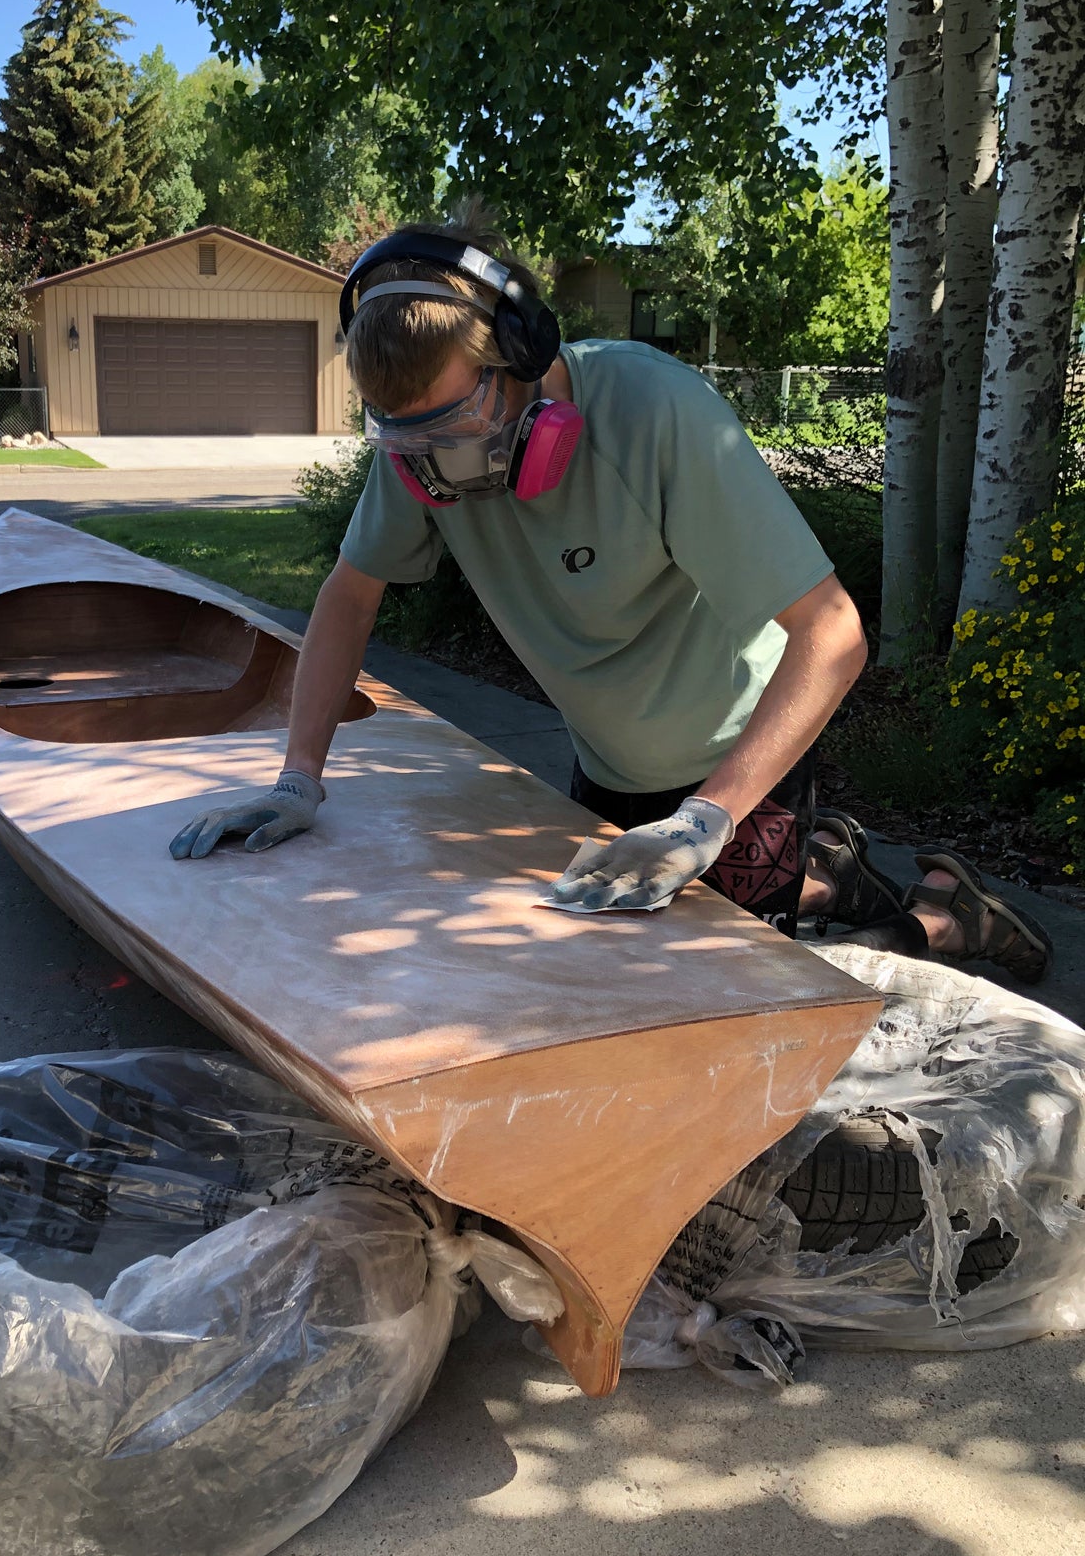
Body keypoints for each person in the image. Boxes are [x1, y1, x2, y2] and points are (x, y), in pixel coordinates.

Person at [170, 206, 1052, 984]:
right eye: (404, 440)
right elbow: (349, 596)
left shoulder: (656, 413)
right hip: (606, 767)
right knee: (610, 978)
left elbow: (834, 634)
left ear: (521, 356)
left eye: (455, 426)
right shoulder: (420, 454)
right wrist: (298, 779)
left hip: (737, 764)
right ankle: (825, 868)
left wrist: (709, 816)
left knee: (750, 988)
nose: (435, 465)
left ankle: (946, 918)